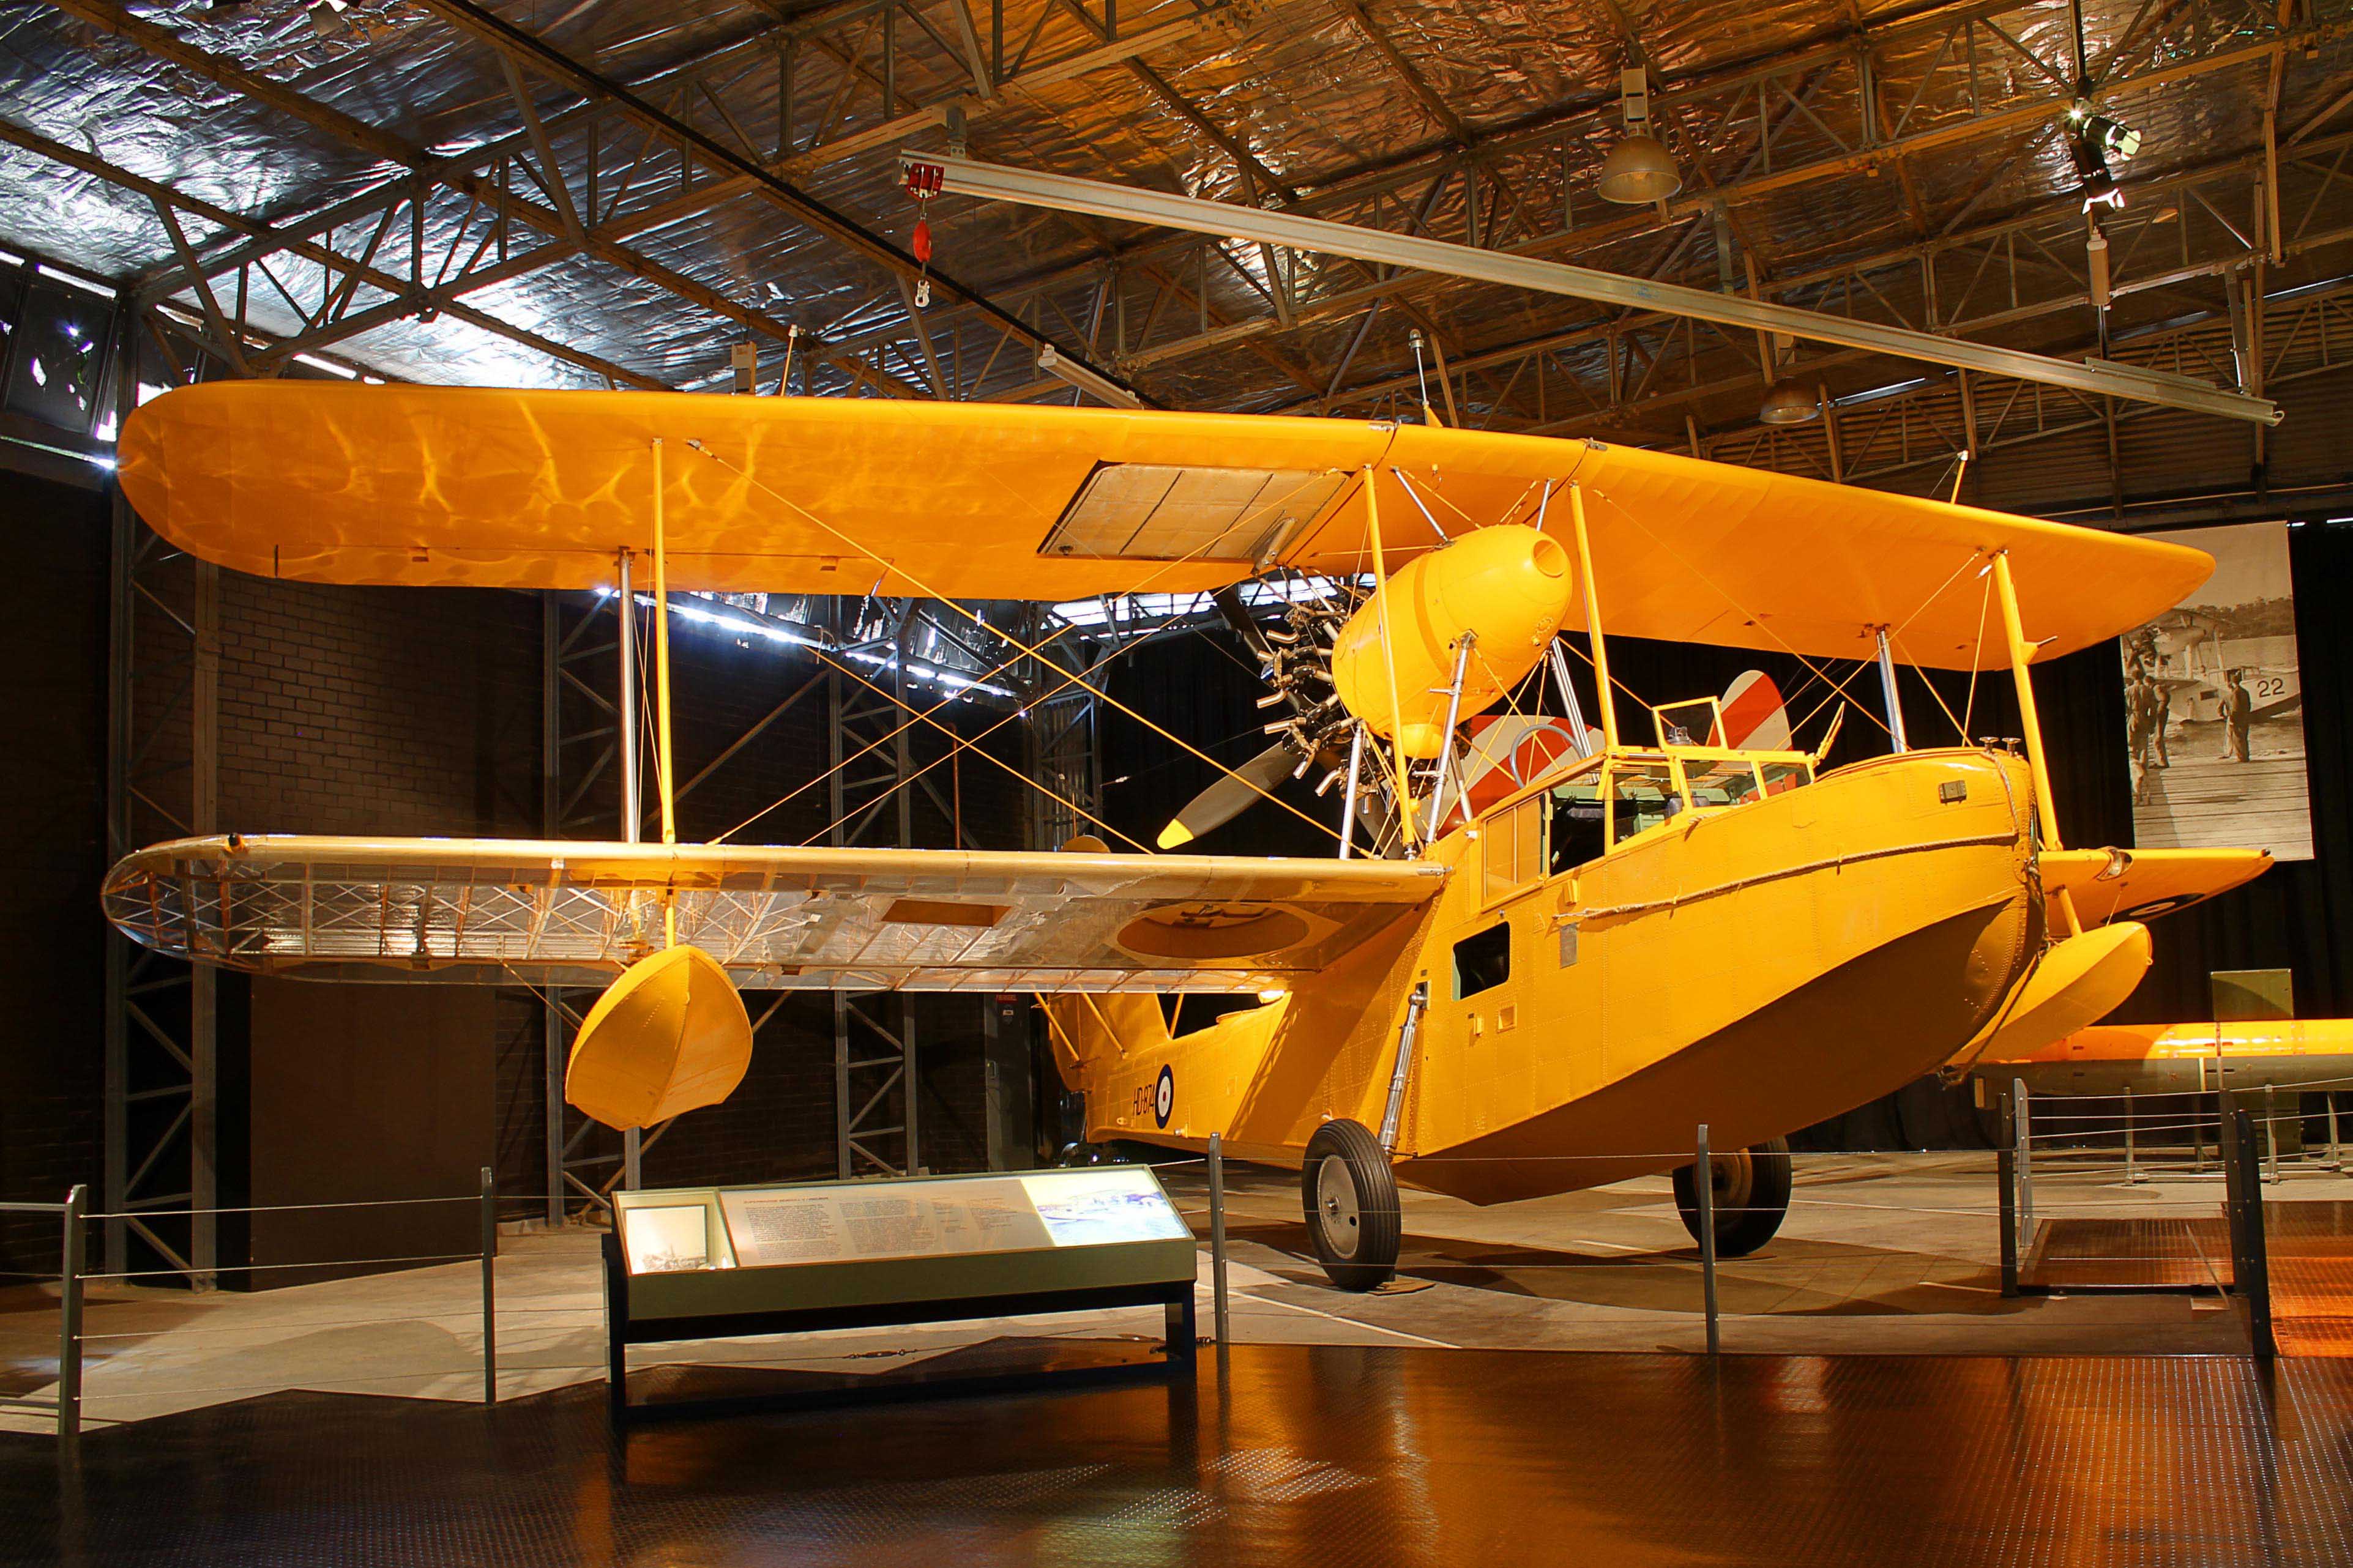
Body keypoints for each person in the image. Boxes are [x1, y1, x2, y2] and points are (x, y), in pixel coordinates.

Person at [2223, 669, 2253, 763]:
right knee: (2244, 738)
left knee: (2238, 739)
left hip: (2238, 720)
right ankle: (2246, 756)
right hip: (2245, 718)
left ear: (2233, 683)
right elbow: (2249, 706)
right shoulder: (2245, 691)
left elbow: (2235, 708)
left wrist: (2232, 719)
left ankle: (2242, 758)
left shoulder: (2235, 693)